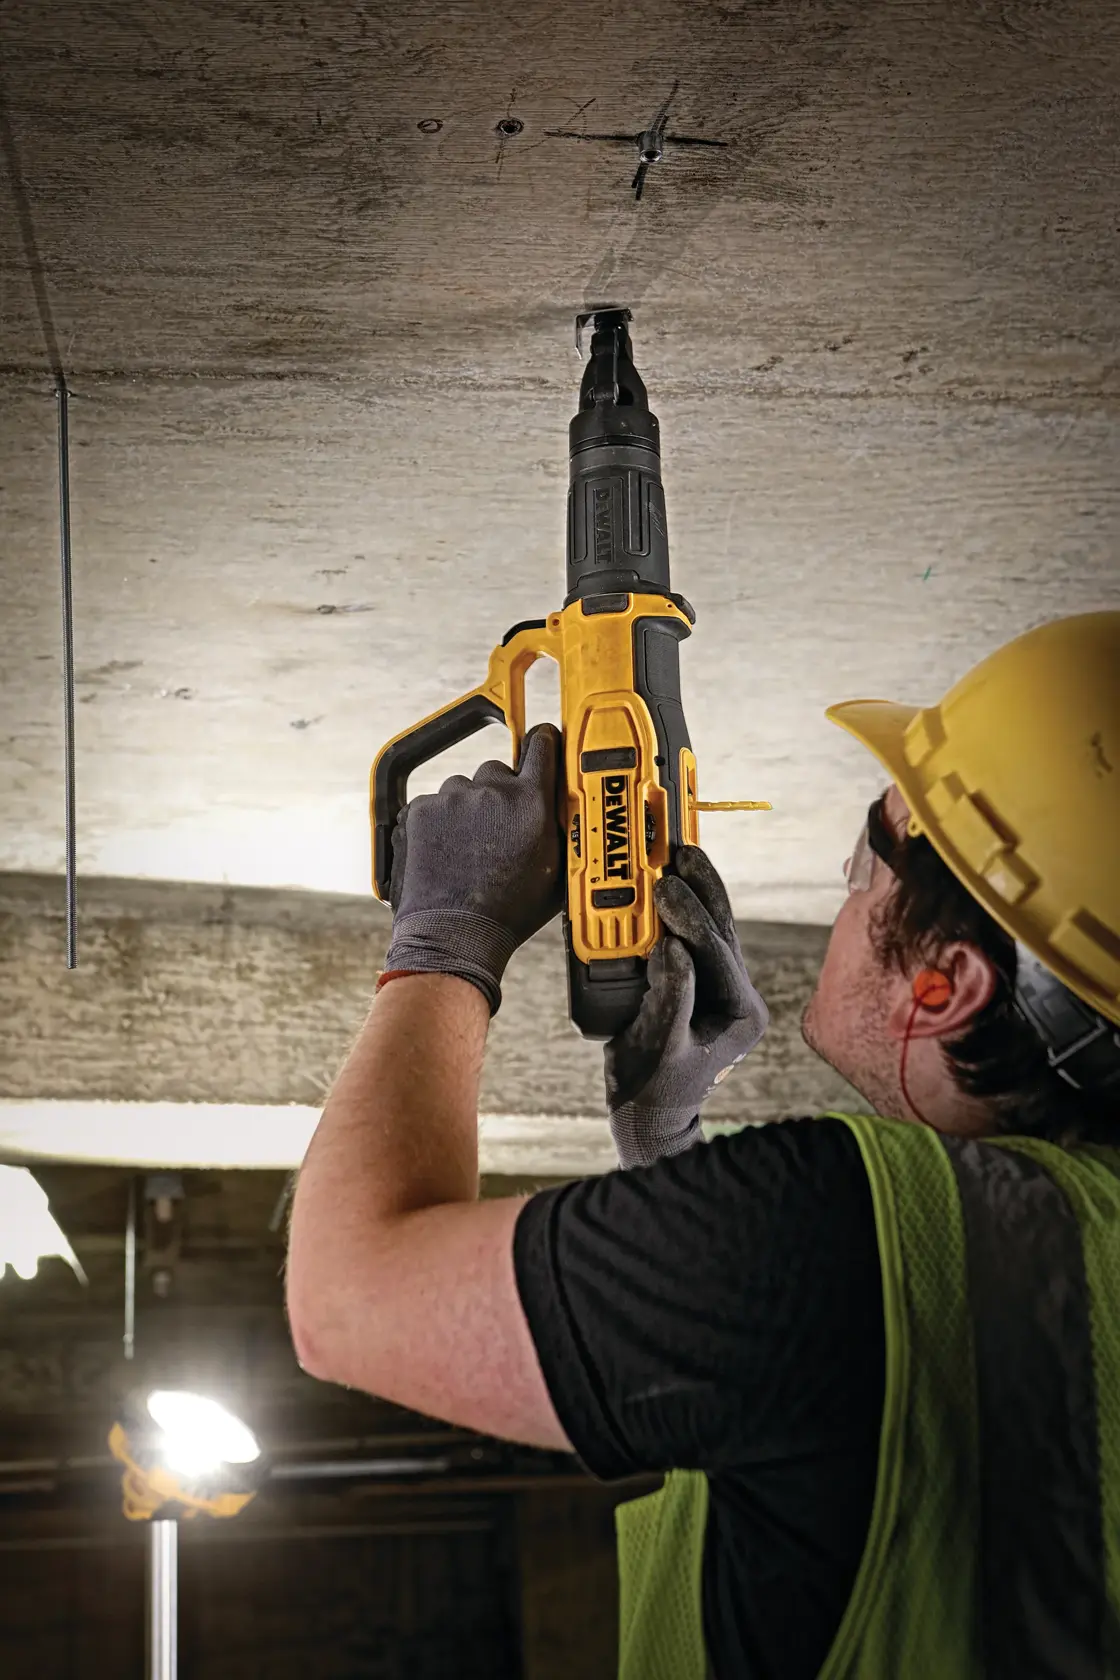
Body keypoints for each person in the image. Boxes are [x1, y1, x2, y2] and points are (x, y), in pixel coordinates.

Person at [286, 611, 1120, 1679]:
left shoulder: (832, 1237)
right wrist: (671, 1169)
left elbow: (348, 1302)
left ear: (945, 985)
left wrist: (445, 936)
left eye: (867, 855)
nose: (846, 887)